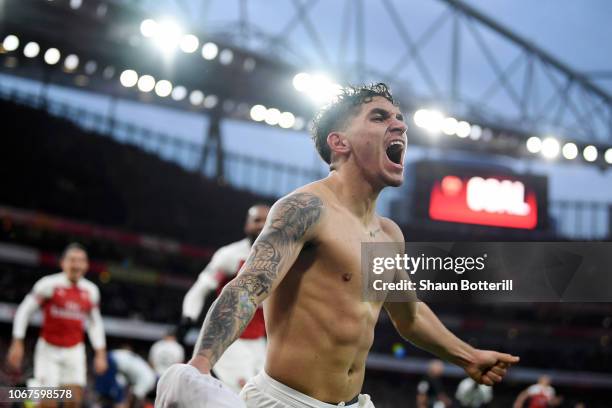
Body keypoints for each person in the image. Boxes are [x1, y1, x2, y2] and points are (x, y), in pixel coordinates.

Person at [156, 83, 519, 408]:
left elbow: (410, 316)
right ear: (339, 142)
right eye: (379, 117)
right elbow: (249, 287)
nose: (400, 126)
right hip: (287, 402)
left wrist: (468, 356)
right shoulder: (306, 208)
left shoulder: (389, 235)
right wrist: (200, 366)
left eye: (399, 118)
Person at [178, 204, 270, 392]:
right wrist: (188, 317)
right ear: (246, 225)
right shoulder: (230, 256)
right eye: (257, 220)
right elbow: (201, 287)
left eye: (266, 221)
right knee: (243, 397)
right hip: (230, 340)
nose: (262, 225)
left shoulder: (281, 260)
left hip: (260, 343)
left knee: (264, 398)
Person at [7, 242, 107, 407]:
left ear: (87, 265)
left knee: (74, 400)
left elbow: (95, 323)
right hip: (49, 350)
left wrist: (100, 352)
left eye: (80, 260)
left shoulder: (91, 291)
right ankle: (31, 394)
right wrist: (17, 342)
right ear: (63, 263)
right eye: (72, 260)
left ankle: (32, 391)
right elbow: (24, 311)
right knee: (48, 403)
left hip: (74, 350)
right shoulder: (48, 284)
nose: (76, 265)